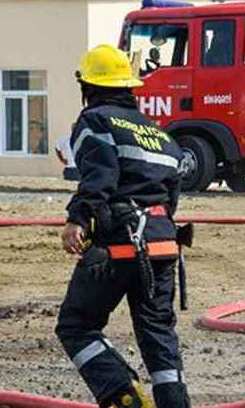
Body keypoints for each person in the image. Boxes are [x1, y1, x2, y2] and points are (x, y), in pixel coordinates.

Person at [56, 45, 189, 408]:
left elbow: (100, 175)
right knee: (159, 336)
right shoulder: (160, 135)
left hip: (119, 245)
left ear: (88, 85)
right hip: (163, 246)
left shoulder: (95, 121)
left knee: (76, 325)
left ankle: (124, 396)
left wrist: (77, 218)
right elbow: (171, 196)